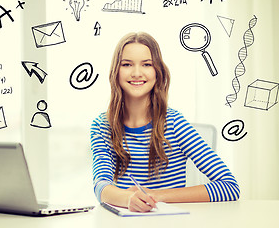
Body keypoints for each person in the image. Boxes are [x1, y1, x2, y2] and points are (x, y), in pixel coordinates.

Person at [90, 32, 240, 213]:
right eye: (127, 64)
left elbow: (230, 187)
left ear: (157, 72)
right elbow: (101, 187)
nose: (137, 73)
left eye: (146, 64)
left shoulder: (175, 123)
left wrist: (156, 195)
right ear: (116, 71)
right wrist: (129, 198)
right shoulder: (102, 126)